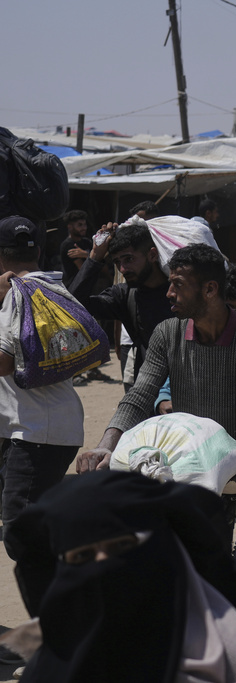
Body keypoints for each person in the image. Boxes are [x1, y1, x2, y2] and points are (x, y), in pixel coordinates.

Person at [75, 243, 236, 609]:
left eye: (178, 284)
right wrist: (105, 444)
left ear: (209, 289)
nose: (169, 292)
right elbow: (140, 395)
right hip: (192, 447)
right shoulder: (167, 332)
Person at [5, 470, 236, 683]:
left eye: (121, 546)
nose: (104, 565)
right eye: (82, 557)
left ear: (163, 549)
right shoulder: (50, 664)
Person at [0, 217, 85, 559]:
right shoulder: (54, 287)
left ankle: (77, 584)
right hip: (49, 427)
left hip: (36, 432)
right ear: (39, 251)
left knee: (21, 537)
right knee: (37, 528)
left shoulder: (15, 295)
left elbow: (3, 363)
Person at [69, 220, 173, 387]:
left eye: (129, 259)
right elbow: (72, 305)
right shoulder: (125, 295)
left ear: (152, 255)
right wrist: (95, 256)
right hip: (148, 391)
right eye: (117, 262)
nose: (122, 269)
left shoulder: (181, 294)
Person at [58, 209, 91, 286]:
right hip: (75, 286)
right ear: (70, 227)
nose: (84, 228)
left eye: (84, 224)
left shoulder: (87, 242)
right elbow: (83, 269)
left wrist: (86, 255)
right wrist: (90, 255)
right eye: (80, 225)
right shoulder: (68, 245)